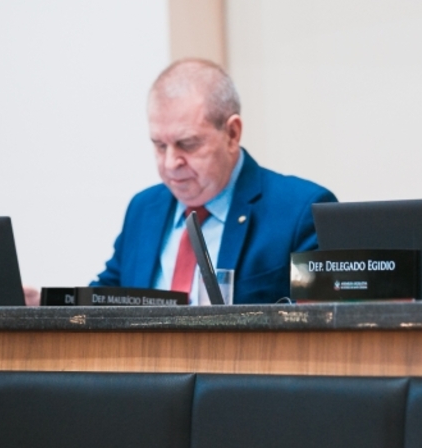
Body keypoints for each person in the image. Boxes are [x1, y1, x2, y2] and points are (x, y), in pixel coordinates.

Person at [91, 58, 336, 304]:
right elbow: (102, 301)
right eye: (159, 146)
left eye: (187, 144)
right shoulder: (144, 209)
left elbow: (317, 326)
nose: (170, 162)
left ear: (232, 134)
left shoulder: (301, 211)